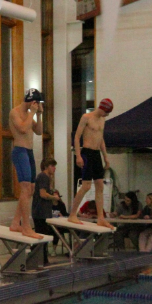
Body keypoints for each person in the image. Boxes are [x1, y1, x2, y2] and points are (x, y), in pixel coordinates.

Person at [68, 98, 114, 229]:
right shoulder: (86, 117)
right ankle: (72, 214)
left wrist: (105, 157)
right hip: (86, 153)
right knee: (86, 186)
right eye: (107, 112)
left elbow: (101, 140)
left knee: (100, 185)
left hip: (96, 154)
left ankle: (101, 218)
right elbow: (76, 137)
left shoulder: (102, 120)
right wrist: (78, 156)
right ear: (103, 109)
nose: (107, 115)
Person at [9, 88, 44, 239]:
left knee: (31, 189)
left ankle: (15, 223)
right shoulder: (15, 112)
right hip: (19, 151)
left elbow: (39, 131)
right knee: (25, 188)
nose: (36, 105)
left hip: (29, 152)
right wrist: (32, 113)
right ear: (31, 101)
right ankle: (26, 226)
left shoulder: (31, 115)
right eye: (36, 102)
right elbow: (23, 128)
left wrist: (39, 115)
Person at [32, 158, 58, 264]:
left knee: (44, 236)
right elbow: (43, 194)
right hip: (40, 212)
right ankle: (39, 258)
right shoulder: (43, 177)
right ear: (47, 167)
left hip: (43, 211)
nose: (54, 168)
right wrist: (54, 198)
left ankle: (42, 258)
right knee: (41, 236)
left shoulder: (47, 178)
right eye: (52, 166)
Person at [50, 189, 68, 256]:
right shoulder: (48, 204)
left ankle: (54, 249)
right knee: (53, 230)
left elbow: (65, 215)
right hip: (50, 224)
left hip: (59, 224)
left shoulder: (61, 204)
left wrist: (61, 215)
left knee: (57, 231)